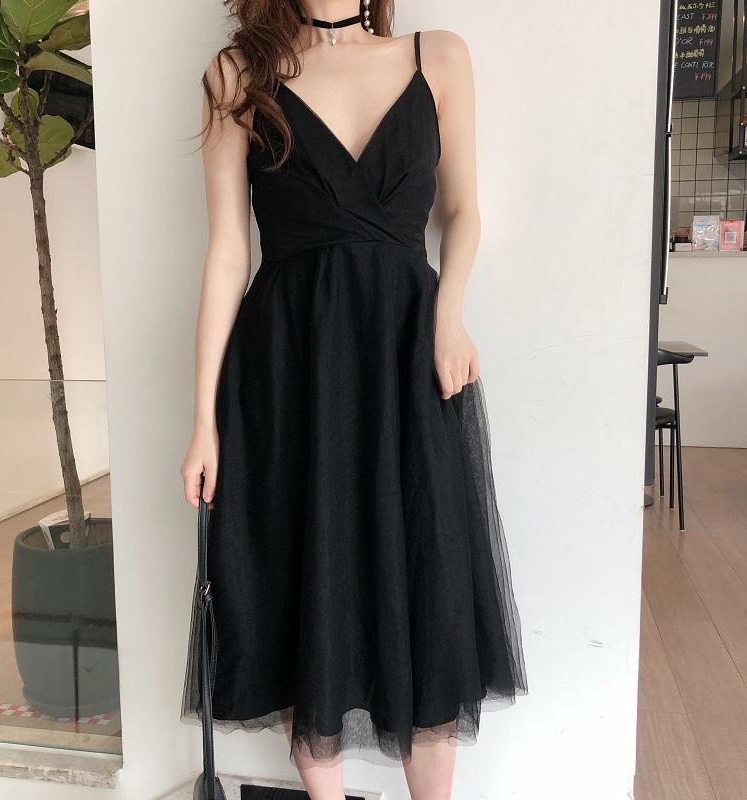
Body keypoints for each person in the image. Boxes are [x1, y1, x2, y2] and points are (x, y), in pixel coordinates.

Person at [179, 2, 528, 798]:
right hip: (287, 371)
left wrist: (449, 315)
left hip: (410, 358)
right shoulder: (237, 75)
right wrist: (202, 421)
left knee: (427, 578)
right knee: (302, 581)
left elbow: (464, 211)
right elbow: (228, 251)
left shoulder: (438, 56)